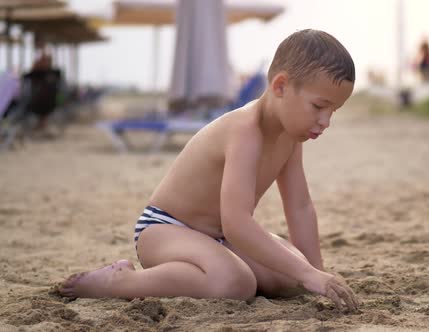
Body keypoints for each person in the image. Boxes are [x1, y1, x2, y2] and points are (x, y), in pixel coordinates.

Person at [57, 29, 359, 312]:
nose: (325, 121)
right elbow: (236, 222)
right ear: (280, 86)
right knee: (235, 283)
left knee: (293, 277)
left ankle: (212, 267)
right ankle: (121, 282)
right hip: (166, 229)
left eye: (333, 111)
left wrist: (317, 274)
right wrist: (309, 273)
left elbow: (300, 207)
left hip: (219, 238)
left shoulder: (290, 138)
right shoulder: (245, 130)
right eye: (319, 106)